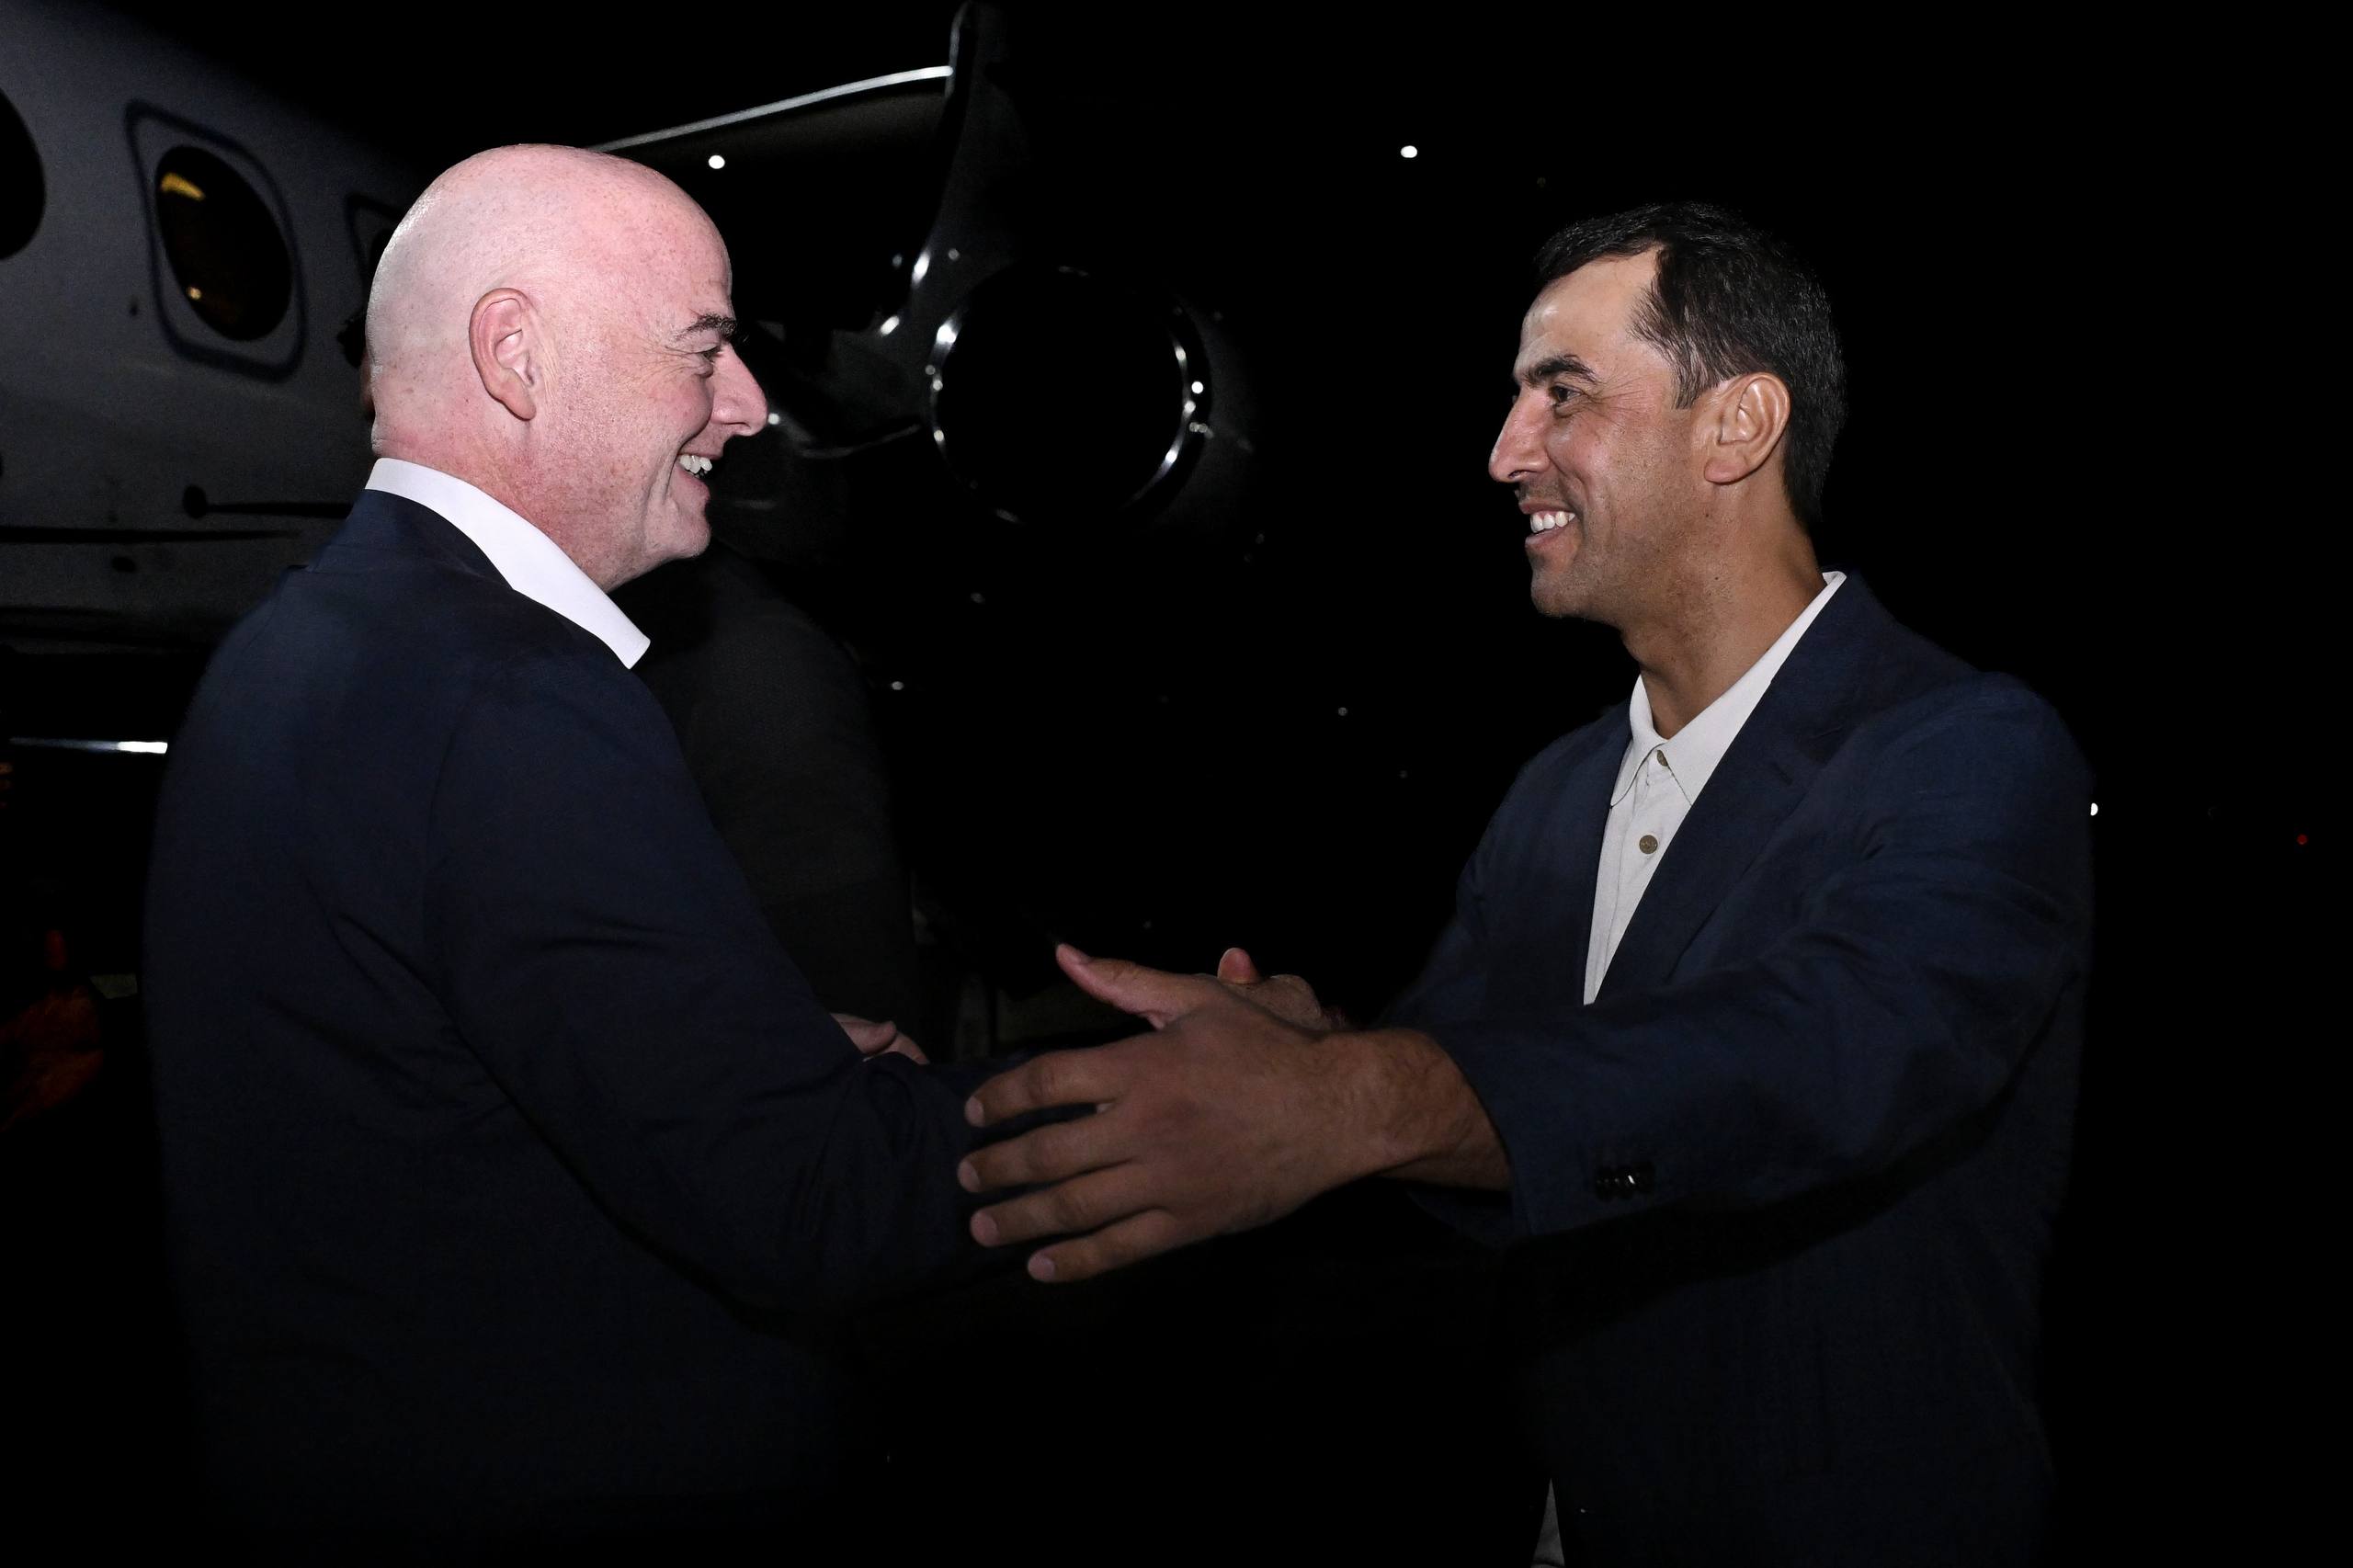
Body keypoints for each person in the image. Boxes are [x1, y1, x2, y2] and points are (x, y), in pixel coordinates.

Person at [960, 202, 2092, 1566]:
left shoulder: (1961, 749)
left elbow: (1821, 1056)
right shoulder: (1558, 790)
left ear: (1737, 426)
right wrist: (1314, 1054)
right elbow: (1469, 1105)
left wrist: (1351, 1098)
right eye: (1514, 400)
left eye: (1563, 395)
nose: (1505, 453)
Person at [143, 145, 992, 1551]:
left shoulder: (292, 643)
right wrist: (1190, 1104)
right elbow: (813, 1194)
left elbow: (412, 1071)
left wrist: (736, 1043)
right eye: (704, 348)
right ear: (518, 356)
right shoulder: (510, 695)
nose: (749, 404)